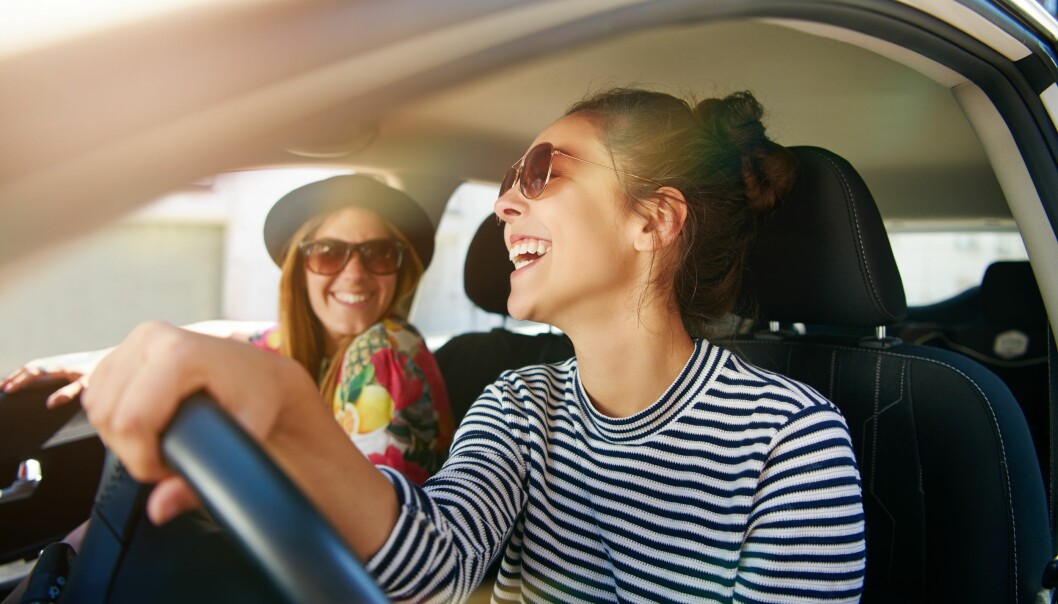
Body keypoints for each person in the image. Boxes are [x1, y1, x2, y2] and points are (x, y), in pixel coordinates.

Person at [70, 88, 867, 602]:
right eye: (507, 183)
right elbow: (435, 565)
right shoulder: (520, 407)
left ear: (651, 221)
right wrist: (285, 411)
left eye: (540, 173)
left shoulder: (790, 441)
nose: (503, 205)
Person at [2, 174, 454, 482]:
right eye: (329, 253)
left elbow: (370, 532)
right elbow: (228, 334)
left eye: (377, 254)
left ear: (400, 271)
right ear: (301, 270)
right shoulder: (308, 345)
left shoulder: (385, 352)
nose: (354, 275)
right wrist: (99, 358)